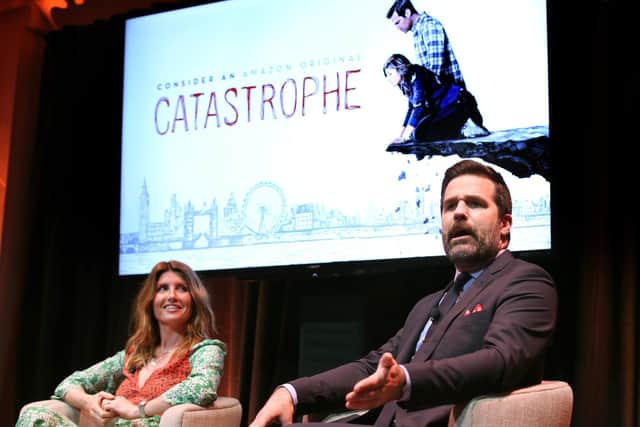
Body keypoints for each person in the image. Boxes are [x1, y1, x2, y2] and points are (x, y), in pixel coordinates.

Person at [249, 159, 557, 427]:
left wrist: (406, 382)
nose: (459, 213)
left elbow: (500, 360)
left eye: (474, 203)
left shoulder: (526, 283)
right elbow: (374, 366)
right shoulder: (428, 304)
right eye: (450, 206)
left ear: (505, 225)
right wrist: (292, 392)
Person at [16, 260, 226, 427]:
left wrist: (138, 410)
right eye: (162, 288)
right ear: (151, 301)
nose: (171, 296)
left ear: (194, 300)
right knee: (37, 415)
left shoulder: (205, 350)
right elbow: (68, 385)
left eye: (182, 289)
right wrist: (89, 402)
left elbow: (202, 387)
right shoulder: (134, 355)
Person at [383, 53, 488, 143]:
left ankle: (466, 125)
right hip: (449, 107)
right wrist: (400, 136)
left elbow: (419, 107)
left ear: (400, 69)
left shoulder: (417, 74)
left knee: (421, 132)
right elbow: (411, 108)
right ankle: (462, 127)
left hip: (460, 103)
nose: (388, 78)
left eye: (390, 74)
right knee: (419, 132)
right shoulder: (407, 82)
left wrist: (405, 137)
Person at [387, 0, 465, 89]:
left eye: (398, 22)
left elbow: (435, 67)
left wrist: (422, 92)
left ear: (407, 13)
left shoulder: (429, 26)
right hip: (442, 96)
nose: (397, 28)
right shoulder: (418, 31)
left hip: (452, 96)